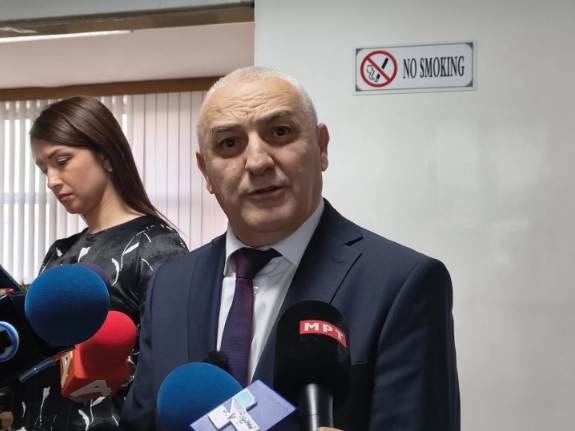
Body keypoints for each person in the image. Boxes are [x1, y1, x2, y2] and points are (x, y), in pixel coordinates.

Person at [120, 66, 460, 431]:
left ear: (321, 147)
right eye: (229, 144)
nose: (258, 162)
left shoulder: (402, 283)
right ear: (205, 171)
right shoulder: (170, 285)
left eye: (280, 132)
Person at [0, 96, 189, 431]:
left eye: (62, 161)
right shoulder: (59, 252)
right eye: (44, 169)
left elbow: (169, 362)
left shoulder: (157, 245)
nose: (51, 180)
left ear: (106, 154)